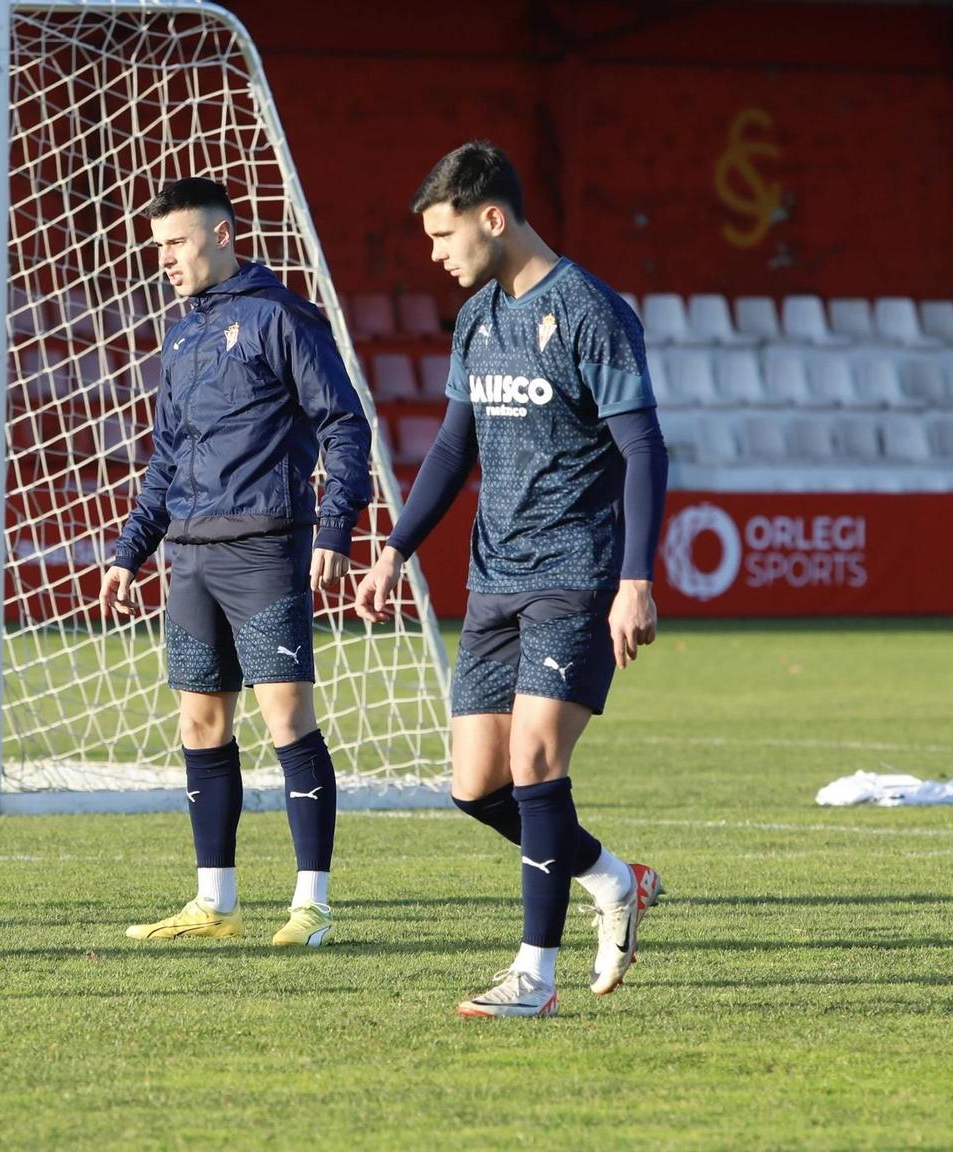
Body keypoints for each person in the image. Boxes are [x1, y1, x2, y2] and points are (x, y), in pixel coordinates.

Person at [354, 141, 667, 1018]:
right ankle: (613, 877)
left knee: (536, 760)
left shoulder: (591, 311)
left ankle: (535, 976)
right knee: (478, 787)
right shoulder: (477, 319)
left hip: (575, 573)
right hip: (492, 577)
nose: (434, 251)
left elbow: (642, 447)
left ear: (494, 218)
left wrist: (634, 579)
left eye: (444, 232)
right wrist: (395, 549)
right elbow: (454, 449)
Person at [101, 177, 371, 948]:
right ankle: (214, 903)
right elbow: (166, 459)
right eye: (157, 248)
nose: (165, 260)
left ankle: (313, 903)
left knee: (286, 718)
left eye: (176, 243)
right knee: (200, 722)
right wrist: (130, 552)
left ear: (223, 235)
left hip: (263, 547)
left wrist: (333, 532)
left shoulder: (282, 318)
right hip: (188, 554)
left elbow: (344, 427)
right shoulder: (182, 338)